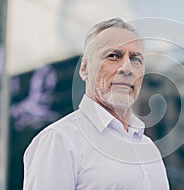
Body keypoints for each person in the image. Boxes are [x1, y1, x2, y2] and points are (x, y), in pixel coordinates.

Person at [23, 18, 170, 190]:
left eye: (136, 59)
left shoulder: (148, 148)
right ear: (84, 69)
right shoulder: (60, 140)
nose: (127, 68)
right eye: (113, 56)